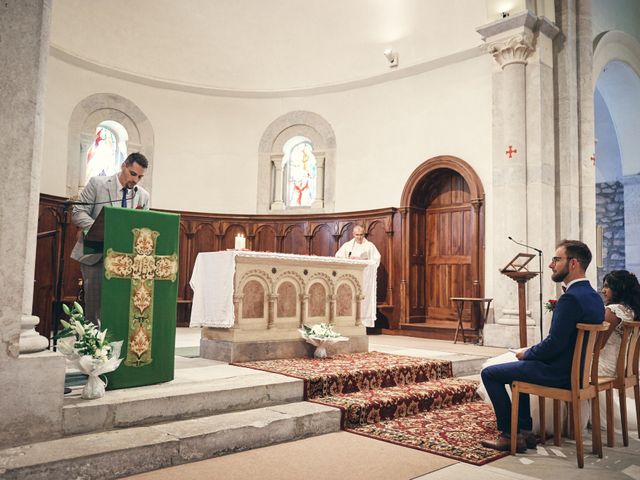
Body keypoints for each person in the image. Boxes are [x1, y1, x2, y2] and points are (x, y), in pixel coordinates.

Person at [480, 239, 605, 452]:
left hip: (559, 373)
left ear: (573, 263)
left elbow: (554, 345)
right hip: (576, 371)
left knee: (490, 373)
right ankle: (526, 433)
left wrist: (527, 353)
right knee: (516, 370)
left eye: (556, 259)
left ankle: (510, 435)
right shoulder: (594, 297)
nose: (550, 265)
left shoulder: (570, 299)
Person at [70, 152, 150, 325]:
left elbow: (143, 226)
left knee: (119, 306)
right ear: (123, 166)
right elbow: (77, 212)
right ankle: (93, 347)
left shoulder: (143, 196)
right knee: (94, 307)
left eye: (140, 177)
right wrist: (102, 230)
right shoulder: (98, 184)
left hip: (126, 260)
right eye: (133, 174)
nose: (135, 180)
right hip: (95, 255)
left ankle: (113, 346)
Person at [597, 270, 640, 431]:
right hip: (622, 367)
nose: (603, 290)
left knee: (566, 365)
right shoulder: (632, 311)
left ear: (619, 288)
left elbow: (598, 345)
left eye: (608, 286)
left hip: (606, 367)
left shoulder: (613, 310)